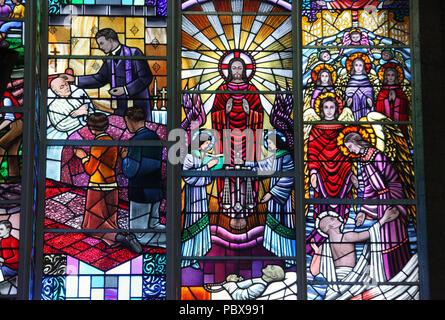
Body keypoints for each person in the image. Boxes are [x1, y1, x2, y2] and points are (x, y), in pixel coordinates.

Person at [343, 131, 412, 280]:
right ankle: (389, 275)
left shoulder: (377, 155)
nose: (350, 150)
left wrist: (395, 203)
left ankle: (400, 274)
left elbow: (392, 178)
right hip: (381, 203)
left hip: (390, 200)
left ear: (357, 142)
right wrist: (362, 211)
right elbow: (368, 187)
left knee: (394, 236)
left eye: (350, 146)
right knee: (384, 239)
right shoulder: (362, 160)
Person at [74, 113, 140, 253]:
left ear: (91, 128)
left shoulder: (97, 144)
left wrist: (83, 157)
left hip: (98, 187)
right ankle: (121, 235)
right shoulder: (111, 142)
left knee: (91, 226)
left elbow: (91, 169)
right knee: (110, 220)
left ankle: (121, 238)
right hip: (112, 186)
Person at [61, 28, 153, 121]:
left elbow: (146, 77)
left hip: (138, 106)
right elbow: (100, 78)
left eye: (101, 43)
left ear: (111, 40)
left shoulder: (134, 53)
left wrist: (125, 89)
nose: (100, 47)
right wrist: (75, 79)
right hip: (120, 107)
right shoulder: (109, 59)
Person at [309, 207, 399, 300]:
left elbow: (314, 271)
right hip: (351, 277)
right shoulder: (347, 237)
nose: (337, 218)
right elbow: (369, 233)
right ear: (329, 227)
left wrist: (317, 252)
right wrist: (384, 219)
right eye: (332, 219)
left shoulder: (324, 247)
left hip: (335, 283)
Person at [211, 56, 263, 214]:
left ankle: (249, 202)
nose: (237, 71)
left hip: (248, 137)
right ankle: (226, 202)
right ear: (229, 70)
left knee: (247, 169)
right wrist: (224, 112)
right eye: (234, 68)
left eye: (240, 68)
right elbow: (214, 115)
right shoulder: (222, 89)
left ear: (245, 70)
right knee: (227, 168)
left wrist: (250, 113)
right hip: (226, 137)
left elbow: (259, 115)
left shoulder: (252, 90)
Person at [306, 94, 356, 254]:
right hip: (322, 175)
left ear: (337, 110)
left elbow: (346, 154)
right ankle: (318, 246)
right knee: (322, 209)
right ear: (321, 110)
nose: (328, 111)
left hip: (342, 175)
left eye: (332, 107)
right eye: (326, 107)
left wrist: (351, 173)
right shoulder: (315, 129)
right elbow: (312, 152)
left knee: (340, 209)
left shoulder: (343, 130)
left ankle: (338, 244)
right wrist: (313, 172)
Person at [245, 132, 296, 266]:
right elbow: (263, 167)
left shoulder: (285, 156)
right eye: (267, 143)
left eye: (271, 143)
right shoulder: (275, 156)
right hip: (275, 196)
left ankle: (288, 257)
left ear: (278, 142)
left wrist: (272, 193)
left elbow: (289, 176)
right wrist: (246, 166)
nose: (269, 145)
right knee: (274, 221)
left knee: (284, 223)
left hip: (282, 198)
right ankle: (276, 253)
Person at [121, 107, 165, 251]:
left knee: (138, 234)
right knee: (154, 225)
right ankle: (175, 237)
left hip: (141, 192)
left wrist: (124, 158)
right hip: (156, 189)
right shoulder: (155, 137)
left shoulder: (135, 141)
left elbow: (131, 170)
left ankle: (175, 240)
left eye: (126, 122)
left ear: (130, 121)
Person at [181, 132, 220, 269]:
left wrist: (211, 167)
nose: (208, 146)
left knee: (201, 220)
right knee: (193, 222)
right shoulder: (190, 156)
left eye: (209, 144)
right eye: (206, 144)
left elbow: (202, 174)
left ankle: (198, 254)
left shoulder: (200, 156)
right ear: (200, 143)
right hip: (193, 196)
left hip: (201, 193)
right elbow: (188, 176)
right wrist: (208, 166)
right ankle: (188, 257)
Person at [47, 75, 94, 181]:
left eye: (67, 84)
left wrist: (85, 112)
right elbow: (60, 125)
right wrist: (77, 115)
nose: (67, 87)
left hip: (84, 129)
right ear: (56, 92)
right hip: (72, 132)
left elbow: (88, 114)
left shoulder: (74, 100)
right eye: (62, 87)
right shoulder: (54, 106)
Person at [376, 63, 409, 137]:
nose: (390, 77)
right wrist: (386, 100)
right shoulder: (382, 91)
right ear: (385, 77)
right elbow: (378, 106)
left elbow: (405, 106)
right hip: (386, 120)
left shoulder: (399, 91)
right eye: (388, 75)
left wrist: (396, 99)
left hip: (398, 121)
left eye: (392, 75)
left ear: (396, 77)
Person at [0, 90, 22, 183]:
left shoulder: (6, 99)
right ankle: (14, 177)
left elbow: (9, 118)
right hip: (16, 124)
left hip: (18, 124)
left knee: (1, 144)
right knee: (12, 151)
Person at [345, 55, 374, 121]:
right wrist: (349, 98)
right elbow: (348, 93)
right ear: (353, 66)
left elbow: (369, 92)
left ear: (363, 67)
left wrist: (369, 99)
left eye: (360, 65)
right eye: (356, 65)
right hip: (354, 106)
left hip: (365, 106)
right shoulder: (351, 80)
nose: (358, 67)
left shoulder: (366, 80)